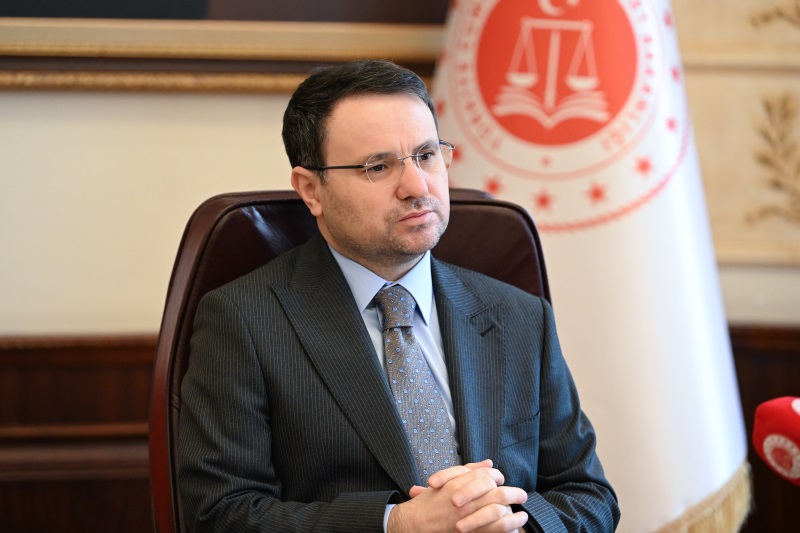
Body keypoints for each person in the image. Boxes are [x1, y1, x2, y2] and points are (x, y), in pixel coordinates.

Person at [178, 59, 620, 533]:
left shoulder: (518, 315)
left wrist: (510, 523)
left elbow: (589, 496)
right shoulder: (244, 320)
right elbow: (221, 514)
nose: (417, 186)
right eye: (378, 166)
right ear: (311, 190)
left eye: (427, 155)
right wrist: (397, 524)